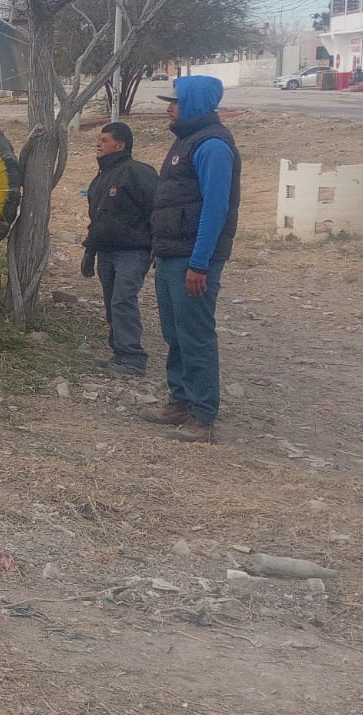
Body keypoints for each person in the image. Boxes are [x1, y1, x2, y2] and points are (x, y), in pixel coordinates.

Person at [141, 75, 242, 443]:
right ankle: (180, 399)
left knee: (195, 334)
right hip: (171, 255)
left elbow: (215, 208)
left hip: (192, 260)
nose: (169, 107)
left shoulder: (213, 146)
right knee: (174, 332)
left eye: (176, 101)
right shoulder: (185, 141)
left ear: (196, 104)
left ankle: (202, 414)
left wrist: (199, 263)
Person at [81, 121, 158, 376]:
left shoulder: (138, 173)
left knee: (123, 299)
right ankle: (120, 353)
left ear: (120, 144)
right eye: (99, 139)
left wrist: (157, 247)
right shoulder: (102, 177)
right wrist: (89, 252)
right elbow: (99, 218)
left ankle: (134, 358)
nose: (98, 144)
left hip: (132, 250)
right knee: (111, 301)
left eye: (104, 140)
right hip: (106, 250)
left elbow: (156, 211)